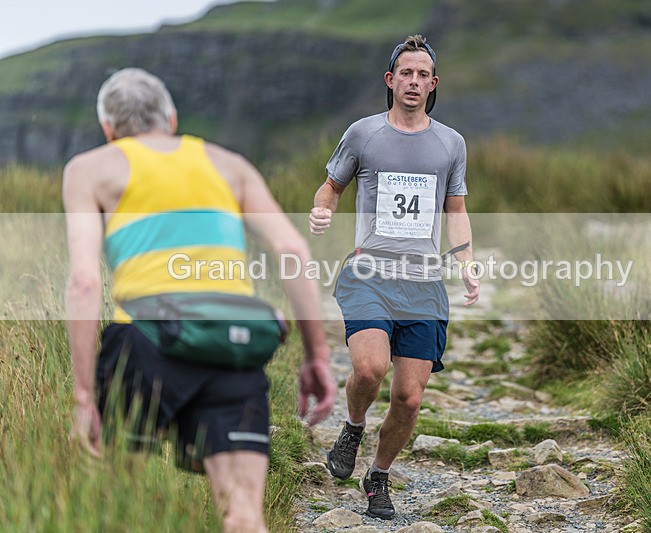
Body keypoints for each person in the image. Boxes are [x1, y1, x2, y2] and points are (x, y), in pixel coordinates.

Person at [64, 67, 337, 533]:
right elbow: (293, 251)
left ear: (109, 129)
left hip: (146, 340)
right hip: (232, 343)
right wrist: (317, 355)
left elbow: (85, 282)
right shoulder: (230, 165)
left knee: (112, 509)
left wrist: (84, 395)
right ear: (171, 119)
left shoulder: (90, 168)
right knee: (244, 516)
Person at [309, 35, 480, 520]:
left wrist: (466, 261)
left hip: (423, 281)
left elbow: (457, 210)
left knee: (408, 397)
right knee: (369, 369)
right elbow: (331, 186)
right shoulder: (363, 134)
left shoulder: (451, 143)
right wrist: (322, 212)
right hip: (369, 271)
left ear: (433, 84)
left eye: (422, 74)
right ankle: (353, 425)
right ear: (390, 80)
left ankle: (378, 476)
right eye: (405, 73)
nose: (413, 81)